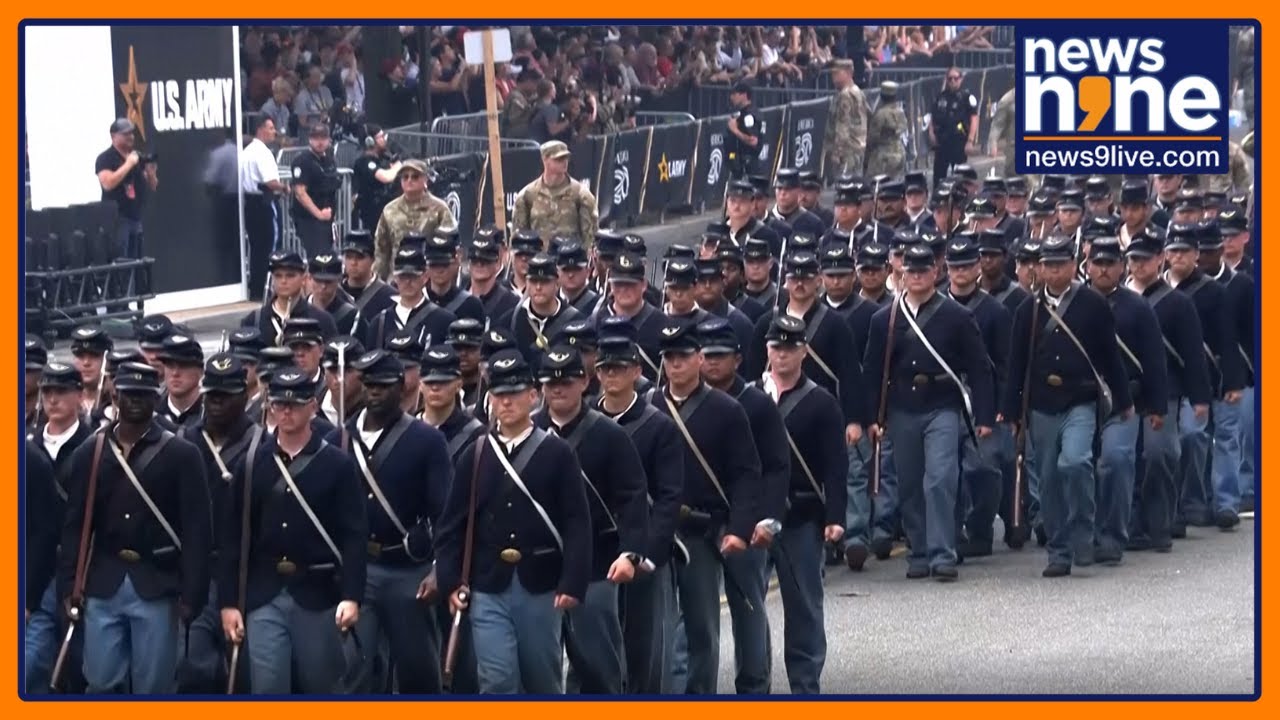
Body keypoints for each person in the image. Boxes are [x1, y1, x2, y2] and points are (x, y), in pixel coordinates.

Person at [434, 349, 593, 695]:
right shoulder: (475, 454)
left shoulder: (557, 453)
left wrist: (572, 582)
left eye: (515, 394)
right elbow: (451, 527)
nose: (506, 402)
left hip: (541, 582)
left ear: (533, 396)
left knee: (542, 679)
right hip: (488, 583)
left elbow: (577, 522)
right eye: (500, 395)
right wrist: (449, 582)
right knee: (496, 680)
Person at [58, 362, 212, 693]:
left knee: (153, 686)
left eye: (143, 394)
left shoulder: (182, 454)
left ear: (155, 397)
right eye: (129, 393)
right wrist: (70, 583)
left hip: (158, 581)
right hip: (103, 579)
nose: (136, 401)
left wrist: (193, 593)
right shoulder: (92, 451)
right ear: (115, 393)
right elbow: (76, 524)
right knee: (99, 682)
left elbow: (197, 529)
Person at [218, 368, 367, 694]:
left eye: (295, 405)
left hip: (318, 590)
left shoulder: (337, 465)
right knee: (268, 687)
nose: (286, 411)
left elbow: (353, 534)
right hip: (264, 591)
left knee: (321, 685)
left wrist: (352, 595)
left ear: (312, 407)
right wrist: (229, 601)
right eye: (279, 405)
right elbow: (234, 536)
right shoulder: (252, 462)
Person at [1003, 235, 1133, 577]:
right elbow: (1016, 364)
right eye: (1047, 264)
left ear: (1074, 266)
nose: (1053, 270)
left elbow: (1109, 356)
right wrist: (1012, 411)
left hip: (1080, 399)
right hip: (1042, 403)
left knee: (1075, 462)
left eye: (1060, 264)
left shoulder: (1092, 304)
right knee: (1047, 478)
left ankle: (1081, 533)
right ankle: (1058, 551)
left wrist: (1123, 401)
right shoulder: (1027, 309)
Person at [863, 244, 995, 581]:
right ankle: (918, 550)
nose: (918, 277)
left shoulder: (957, 316)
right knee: (909, 482)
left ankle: (942, 553)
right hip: (903, 407)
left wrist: (983, 416)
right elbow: (874, 372)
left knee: (940, 478)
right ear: (902, 275)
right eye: (912, 272)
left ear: (936, 273)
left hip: (943, 404)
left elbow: (979, 368)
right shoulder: (885, 319)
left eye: (924, 271)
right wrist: (872, 419)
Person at [652, 319, 767, 694]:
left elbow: (746, 474)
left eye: (683, 356)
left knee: (701, 627)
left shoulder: (726, 409)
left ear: (699, 358)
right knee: (657, 627)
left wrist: (738, 528)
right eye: (668, 357)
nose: (675, 365)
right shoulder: (651, 406)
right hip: (657, 530)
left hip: (700, 530)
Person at [329, 349, 452, 694]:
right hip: (359, 569)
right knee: (357, 667)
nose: (375, 392)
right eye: (369, 385)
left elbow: (443, 511)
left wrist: (439, 568)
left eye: (383, 385)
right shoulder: (340, 438)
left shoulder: (427, 440)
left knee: (418, 670)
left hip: (407, 567)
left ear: (401, 386)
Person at [534, 345, 648, 694]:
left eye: (566, 381)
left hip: (597, 562)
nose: (558, 389)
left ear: (584, 381)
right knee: (540, 669)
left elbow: (632, 497)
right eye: (550, 383)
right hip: (539, 564)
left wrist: (630, 552)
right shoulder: (528, 430)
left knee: (599, 667)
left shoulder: (609, 435)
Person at [753, 315, 846, 694]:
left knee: (805, 606)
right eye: (776, 347)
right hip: (756, 516)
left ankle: (805, 686)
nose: (783, 355)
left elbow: (836, 464)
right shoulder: (751, 397)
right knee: (750, 609)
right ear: (767, 350)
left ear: (804, 352)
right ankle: (754, 685)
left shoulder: (821, 402)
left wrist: (836, 516)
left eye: (791, 347)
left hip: (803, 515)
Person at [592, 334, 683, 694]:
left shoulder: (658, 425)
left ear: (637, 371)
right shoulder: (588, 420)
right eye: (605, 368)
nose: (612, 374)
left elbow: (668, 496)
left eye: (619, 367)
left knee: (644, 648)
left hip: (644, 545)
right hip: (596, 546)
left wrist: (651, 553)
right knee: (592, 648)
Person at [1123, 232, 1211, 552]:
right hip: (1127, 392)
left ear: (1159, 259)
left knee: (1160, 455)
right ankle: (1132, 525)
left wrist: (1200, 397)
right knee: (1127, 459)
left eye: (1145, 259)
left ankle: (1161, 521)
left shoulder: (1177, 302)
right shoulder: (1117, 299)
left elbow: (1192, 354)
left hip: (1167, 390)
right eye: (1133, 259)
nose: (1138, 265)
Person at [176, 353, 258, 694]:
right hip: (194, 571)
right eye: (212, 395)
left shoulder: (261, 444)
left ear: (244, 395)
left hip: (245, 574)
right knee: (192, 669)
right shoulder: (183, 442)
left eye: (226, 395)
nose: (217, 402)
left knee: (244, 673)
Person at [1084, 238, 1167, 565]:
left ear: (1122, 267)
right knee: (1080, 467)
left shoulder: (1137, 307)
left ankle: (1112, 535)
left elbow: (1154, 359)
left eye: (1110, 263)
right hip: (1081, 397)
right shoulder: (1075, 304)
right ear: (1088, 266)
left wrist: (1157, 406)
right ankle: (1084, 530)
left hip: (1124, 400)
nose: (1103, 269)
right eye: (1098, 263)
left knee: (1116, 461)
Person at [940, 238, 1011, 558]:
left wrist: (1000, 407)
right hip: (944, 395)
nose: (961, 272)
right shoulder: (937, 307)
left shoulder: (994, 310)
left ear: (978, 267)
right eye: (955, 266)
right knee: (945, 471)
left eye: (967, 265)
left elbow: (1005, 364)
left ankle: (981, 527)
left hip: (982, 397)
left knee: (983, 468)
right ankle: (951, 534)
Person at [25, 362, 92, 694]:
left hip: (77, 562)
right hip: (35, 561)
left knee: (78, 657)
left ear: (79, 395)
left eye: (61, 391)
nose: (52, 399)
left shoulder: (93, 444)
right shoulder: (29, 446)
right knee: (32, 658)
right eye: (47, 392)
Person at [373, 159, 456, 280]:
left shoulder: (440, 209)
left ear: (425, 179)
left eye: (415, 177)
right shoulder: (390, 210)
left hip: (428, 279)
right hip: (397, 279)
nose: (409, 181)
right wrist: (379, 281)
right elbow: (381, 249)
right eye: (405, 177)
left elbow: (450, 247)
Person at [512, 141, 599, 250]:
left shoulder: (581, 195)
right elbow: (519, 236)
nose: (564, 162)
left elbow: (590, 238)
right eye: (558, 159)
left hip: (570, 260)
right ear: (545, 160)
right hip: (538, 261)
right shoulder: (527, 195)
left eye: (566, 158)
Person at [242, 251, 340, 346]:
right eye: (278, 276)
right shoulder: (254, 320)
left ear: (304, 279)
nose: (283, 281)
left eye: (290, 275)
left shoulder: (322, 320)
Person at [96, 118, 158, 260]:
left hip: (135, 218)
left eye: (131, 133)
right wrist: (128, 164)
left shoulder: (136, 157)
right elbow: (108, 183)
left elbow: (153, 186)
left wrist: (151, 172)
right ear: (113, 136)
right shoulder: (105, 158)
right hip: (118, 219)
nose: (130, 137)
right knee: (122, 262)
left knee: (137, 261)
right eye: (125, 134)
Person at [241, 116, 286, 300]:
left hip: (250, 203)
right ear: (260, 129)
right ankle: (269, 289)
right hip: (265, 202)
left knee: (257, 248)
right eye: (271, 127)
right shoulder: (262, 153)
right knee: (271, 246)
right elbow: (270, 181)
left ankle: (258, 289)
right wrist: (285, 188)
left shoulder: (247, 151)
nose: (274, 131)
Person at [290, 123, 342, 258]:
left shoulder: (329, 160)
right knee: (318, 258)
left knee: (328, 256)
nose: (320, 142)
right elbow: (300, 193)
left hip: (327, 217)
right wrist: (319, 214)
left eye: (323, 138)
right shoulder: (302, 161)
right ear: (310, 139)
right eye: (316, 138)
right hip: (309, 219)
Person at [927, 68, 978, 188]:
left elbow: (974, 119)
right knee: (938, 178)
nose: (953, 81)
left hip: (959, 142)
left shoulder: (967, 97)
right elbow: (932, 117)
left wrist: (970, 141)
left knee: (960, 178)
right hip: (942, 143)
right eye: (950, 79)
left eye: (956, 78)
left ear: (961, 79)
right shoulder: (940, 97)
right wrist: (931, 134)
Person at [351, 124, 404, 232]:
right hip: (371, 211)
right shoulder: (364, 162)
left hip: (385, 208)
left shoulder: (382, 159)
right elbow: (385, 177)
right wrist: (398, 166)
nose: (384, 139)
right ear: (370, 141)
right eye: (381, 136)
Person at [865, 81, 909, 179]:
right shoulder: (900, 112)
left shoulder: (881, 114)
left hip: (883, 156)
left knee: (875, 183)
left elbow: (872, 138)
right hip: (899, 152)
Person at [725, 81, 761, 180]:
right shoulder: (742, 113)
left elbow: (753, 141)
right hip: (737, 161)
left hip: (747, 164)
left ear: (744, 95)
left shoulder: (749, 115)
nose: (731, 97)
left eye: (734, 94)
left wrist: (735, 130)